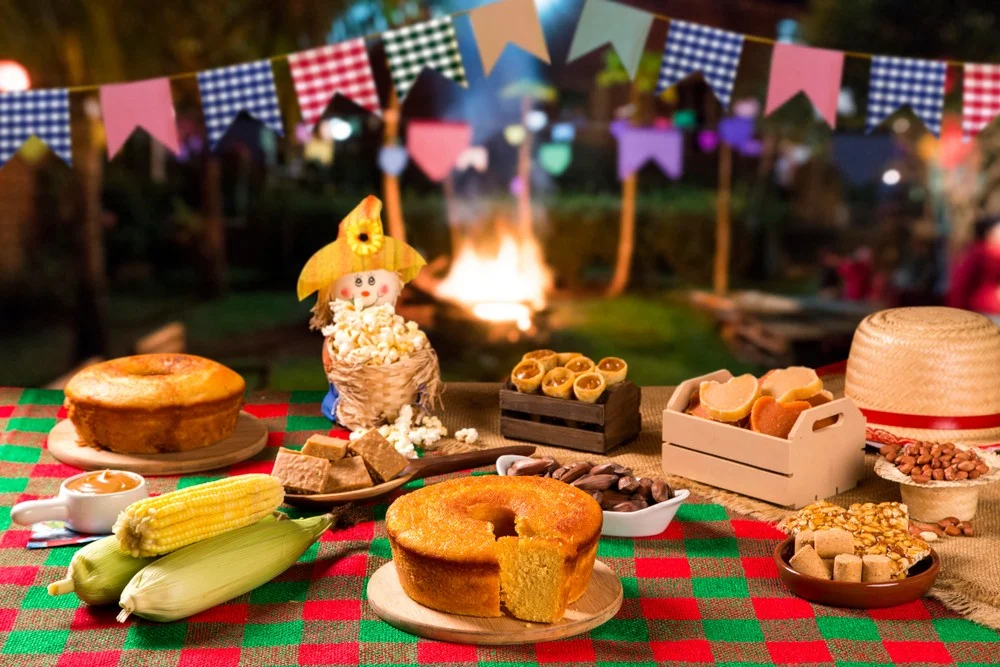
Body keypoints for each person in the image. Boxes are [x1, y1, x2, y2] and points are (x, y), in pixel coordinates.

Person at [947, 215, 1000, 315]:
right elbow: (961, 284)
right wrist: (956, 311)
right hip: (982, 310)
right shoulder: (978, 253)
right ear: (989, 233)